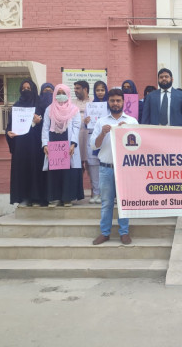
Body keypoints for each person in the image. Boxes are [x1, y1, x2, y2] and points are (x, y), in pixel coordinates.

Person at [90, 88, 138, 245]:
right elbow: (93, 146)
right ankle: (105, 233)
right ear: (108, 102)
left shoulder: (132, 121)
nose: (115, 103)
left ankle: (124, 232)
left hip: (125, 169)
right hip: (106, 168)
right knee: (106, 203)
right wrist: (102, 133)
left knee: (124, 201)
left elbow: (139, 146)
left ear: (123, 102)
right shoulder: (101, 122)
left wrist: (128, 131)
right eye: (112, 101)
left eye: (118, 100)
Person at [5, 79, 47, 207]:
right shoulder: (17, 106)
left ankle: (38, 198)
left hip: (36, 144)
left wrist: (39, 122)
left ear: (33, 89)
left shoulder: (40, 105)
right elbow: (10, 126)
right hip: (21, 145)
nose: (26, 90)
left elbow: (47, 126)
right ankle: (24, 198)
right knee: (22, 170)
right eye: (23, 88)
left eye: (28, 88)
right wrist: (8, 133)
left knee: (36, 169)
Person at [42, 84, 84, 207]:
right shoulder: (49, 109)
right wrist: (45, 144)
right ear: (55, 94)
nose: (61, 95)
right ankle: (54, 198)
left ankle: (67, 198)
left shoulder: (74, 109)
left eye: (63, 93)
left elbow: (76, 127)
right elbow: (45, 128)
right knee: (54, 170)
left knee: (67, 170)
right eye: (58, 93)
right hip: (53, 142)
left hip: (68, 142)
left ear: (68, 94)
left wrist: (73, 144)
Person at [83, 81, 109, 204]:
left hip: (107, 141)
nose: (100, 92)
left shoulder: (110, 106)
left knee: (107, 167)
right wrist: (86, 122)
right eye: (98, 90)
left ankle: (106, 194)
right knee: (94, 168)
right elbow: (85, 126)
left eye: (102, 90)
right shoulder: (90, 106)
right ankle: (96, 193)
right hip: (93, 139)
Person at [73, 81, 93, 189]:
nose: (75, 90)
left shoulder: (93, 102)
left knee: (91, 165)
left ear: (85, 89)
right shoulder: (71, 103)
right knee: (77, 166)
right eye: (75, 88)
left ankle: (95, 192)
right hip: (77, 138)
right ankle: (76, 192)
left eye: (78, 88)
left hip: (89, 137)